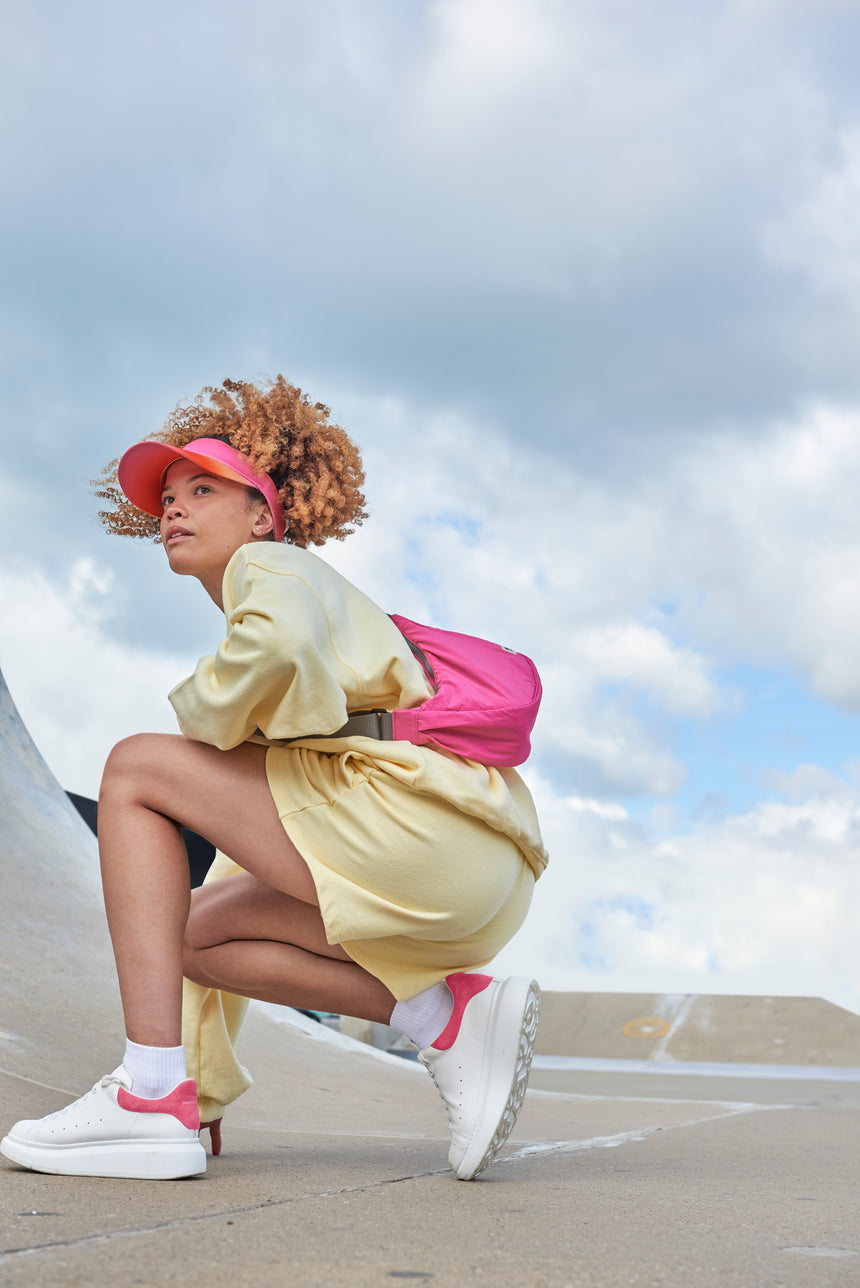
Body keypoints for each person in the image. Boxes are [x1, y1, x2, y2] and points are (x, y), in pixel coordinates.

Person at [0, 376, 547, 1182]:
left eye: (200, 488)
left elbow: (274, 648)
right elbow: (242, 851)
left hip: (420, 834)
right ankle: (443, 1016)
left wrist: (200, 713)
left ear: (262, 513)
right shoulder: (313, 659)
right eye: (165, 501)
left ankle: (147, 1102)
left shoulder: (273, 569)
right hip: (463, 876)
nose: (173, 509)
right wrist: (206, 1097)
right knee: (188, 933)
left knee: (136, 767)